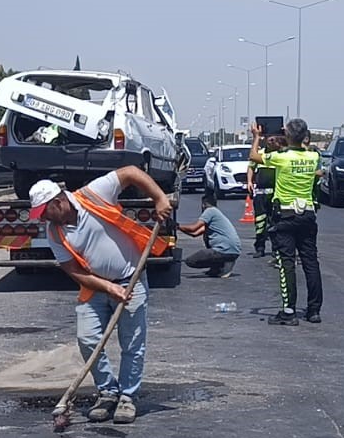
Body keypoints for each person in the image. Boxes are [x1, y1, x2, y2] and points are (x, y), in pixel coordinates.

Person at [30, 166, 172, 424]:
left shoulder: (95, 193)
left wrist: (159, 198)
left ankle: (127, 397)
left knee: (132, 343)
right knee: (87, 339)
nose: (43, 219)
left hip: (131, 280)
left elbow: (130, 172)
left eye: (44, 212)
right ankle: (107, 392)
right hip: (95, 287)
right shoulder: (54, 232)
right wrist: (108, 288)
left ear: (59, 202)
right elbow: (73, 271)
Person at [250, 120, 323, 326]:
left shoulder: (281, 158)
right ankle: (314, 310)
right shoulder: (313, 156)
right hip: (307, 215)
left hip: (286, 215)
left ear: (288, 135)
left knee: (287, 263)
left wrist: (257, 137)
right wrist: (294, 138)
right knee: (311, 262)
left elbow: (254, 156)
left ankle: (288, 310)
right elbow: (314, 163)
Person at [178, 189, 241, 278]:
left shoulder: (210, 211)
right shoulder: (216, 214)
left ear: (204, 204)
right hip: (233, 250)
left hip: (225, 250)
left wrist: (177, 225)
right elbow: (195, 234)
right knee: (207, 242)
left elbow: (193, 228)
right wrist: (179, 228)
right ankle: (217, 267)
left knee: (190, 261)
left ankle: (224, 263)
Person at [249, 136, 281, 259]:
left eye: (274, 138)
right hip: (261, 192)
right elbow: (251, 167)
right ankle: (260, 247)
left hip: (276, 193)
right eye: (269, 138)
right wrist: (249, 182)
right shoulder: (260, 154)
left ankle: (276, 249)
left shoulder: (280, 155)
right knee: (260, 221)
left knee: (275, 221)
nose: (271, 141)